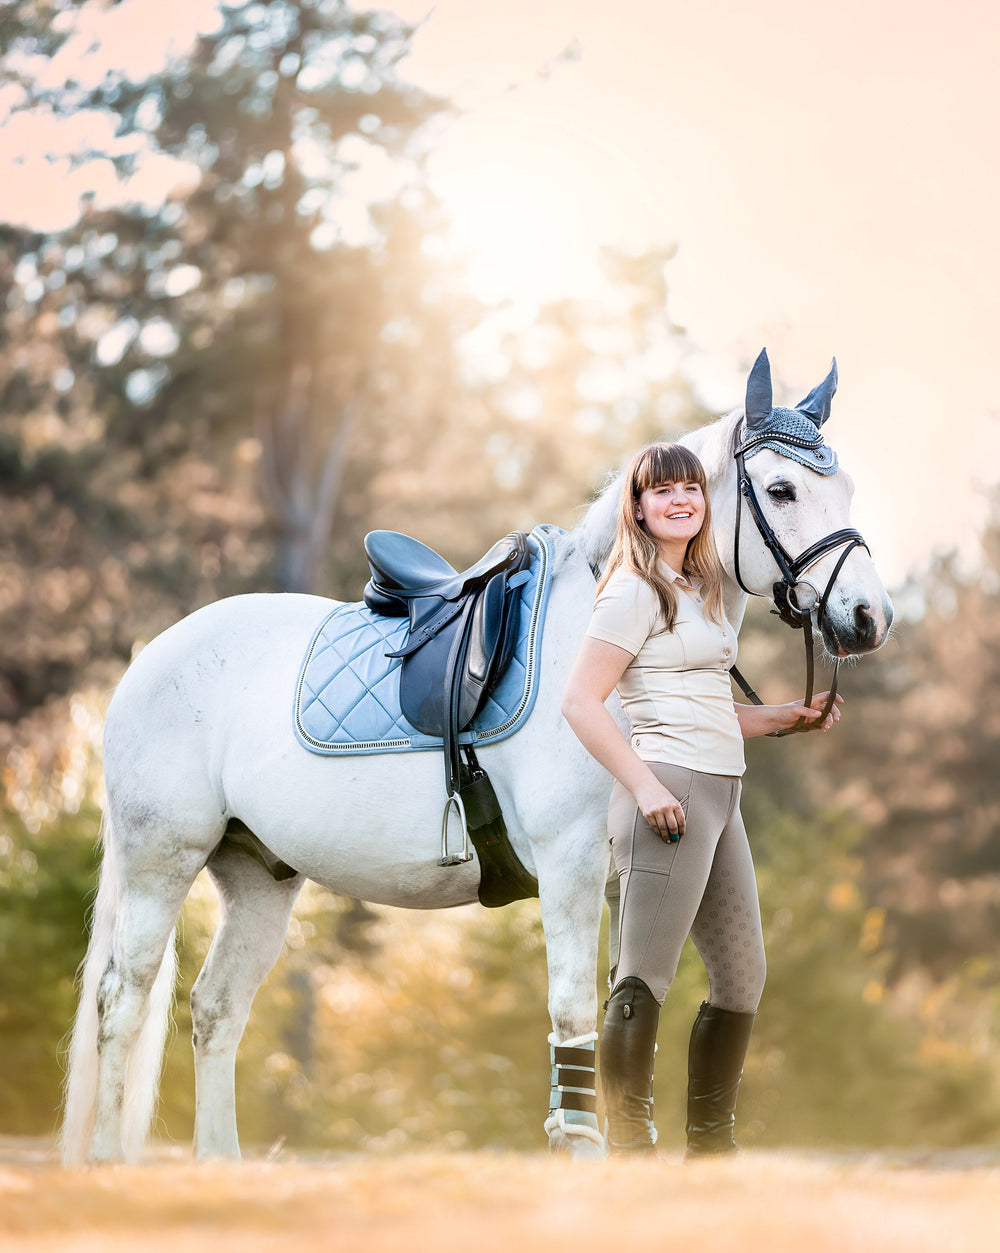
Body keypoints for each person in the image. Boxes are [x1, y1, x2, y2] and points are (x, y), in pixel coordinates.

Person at [561, 441, 841, 1158]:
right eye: (663, 491)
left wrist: (783, 715)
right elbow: (581, 702)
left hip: (721, 794)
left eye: (691, 487)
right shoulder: (633, 590)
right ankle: (630, 1151)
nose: (681, 499)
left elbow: (708, 703)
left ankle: (711, 1151)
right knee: (642, 977)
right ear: (640, 506)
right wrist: (646, 785)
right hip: (669, 795)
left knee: (742, 977)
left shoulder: (702, 590)